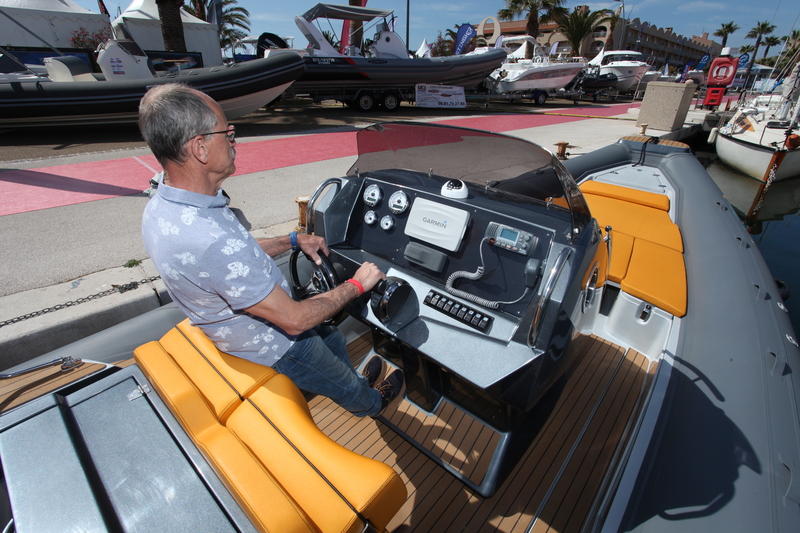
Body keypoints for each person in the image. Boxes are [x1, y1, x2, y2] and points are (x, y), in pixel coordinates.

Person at [138, 83, 403, 417]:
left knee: (333, 339)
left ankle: (353, 380)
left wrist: (293, 240)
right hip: (276, 344)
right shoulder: (209, 238)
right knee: (344, 385)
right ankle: (371, 403)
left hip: (261, 321)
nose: (234, 142)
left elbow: (235, 255)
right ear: (200, 149)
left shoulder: (163, 206)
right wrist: (357, 284)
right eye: (228, 132)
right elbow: (293, 321)